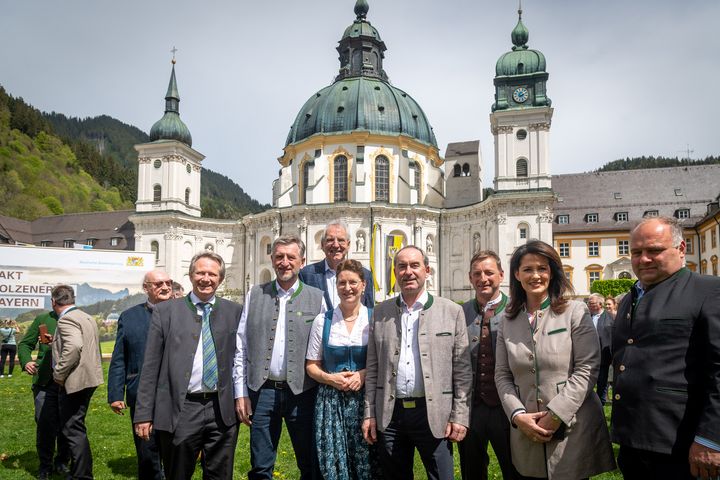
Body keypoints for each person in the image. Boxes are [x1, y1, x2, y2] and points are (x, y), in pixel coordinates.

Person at [494, 240, 615, 479]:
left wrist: (556, 414)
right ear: (516, 274)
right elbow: (502, 374)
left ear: (553, 272)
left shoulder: (575, 311)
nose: (535, 275)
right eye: (528, 269)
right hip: (526, 429)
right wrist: (517, 415)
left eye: (542, 268)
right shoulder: (507, 320)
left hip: (572, 430)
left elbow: (587, 368)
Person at [612, 216, 720, 479]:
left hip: (682, 441)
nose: (644, 259)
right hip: (634, 439)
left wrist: (711, 438)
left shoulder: (708, 291)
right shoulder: (630, 298)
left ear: (681, 249)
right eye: (636, 252)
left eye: (654, 250)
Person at [362, 245, 472, 480]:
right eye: (401, 266)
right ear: (395, 272)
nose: (408, 272)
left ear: (427, 270)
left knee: (442, 476)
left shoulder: (452, 311)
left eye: (414, 265)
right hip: (391, 413)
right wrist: (369, 413)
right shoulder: (380, 313)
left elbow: (462, 370)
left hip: (433, 412)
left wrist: (459, 415)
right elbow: (373, 370)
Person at [134, 252, 242, 479]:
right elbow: (150, 366)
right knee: (178, 473)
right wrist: (143, 413)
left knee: (220, 475)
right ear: (190, 276)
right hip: (181, 409)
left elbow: (242, 358)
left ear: (220, 279)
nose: (206, 278)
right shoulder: (166, 312)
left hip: (221, 410)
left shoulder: (234, 311)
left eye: (212, 274)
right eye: (200, 272)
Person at [233, 235, 325, 479]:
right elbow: (241, 345)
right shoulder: (255, 294)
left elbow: (323, 347)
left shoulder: (317, 298)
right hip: (262, 392)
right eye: (279, 257)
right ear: (272, 260)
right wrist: (241, 393)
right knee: (261, 467)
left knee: (310, 464)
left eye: (291, 257)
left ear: (302, 262)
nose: (285, 262)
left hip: (303, 393)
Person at [305, 259, 377, 479]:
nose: (347, 288)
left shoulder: (375, 319)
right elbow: (311, 365)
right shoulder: (323, 320)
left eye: (353, 282)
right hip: (331, 403)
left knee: (368, 462)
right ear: (336, 286)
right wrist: (330, 379)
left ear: (363, 285)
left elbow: (384, 361)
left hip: (366, 401)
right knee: (334, 464)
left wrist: (363, 374)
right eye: (342, 283)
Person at [458, 251, 519, 480]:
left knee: (514, 468)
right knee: (471, 470)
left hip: (507, 407)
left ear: (501, 275)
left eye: (489, 272)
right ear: (470, 278)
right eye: (477, 274)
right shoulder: (460, 312)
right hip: (471, 407)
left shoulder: (516, 310)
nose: (483, 278)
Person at [107, 269, 172, 480]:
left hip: (176, 394)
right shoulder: (130, 317)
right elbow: (119, 358)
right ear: (146, 288)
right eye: (158, 284)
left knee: (174, 450)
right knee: (147, 451)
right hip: (142, 393)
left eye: (168, 283)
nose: (165, 287)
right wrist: (116, 394)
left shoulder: (183, 313)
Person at [51, 284, 104, 480]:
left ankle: (82, 475)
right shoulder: (86, 316)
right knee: (76, 425)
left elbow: (73, 347)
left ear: (54, 302)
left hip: (75, 380)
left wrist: (59, 373)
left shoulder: (66, 320)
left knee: (72, 428)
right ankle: (80, 471)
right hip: (89, 378)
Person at [18, 310, 71, 480]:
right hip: (44, 381)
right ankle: (45, 466)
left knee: (67, 425)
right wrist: (26, 361)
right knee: (44, 424)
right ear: (53, 301)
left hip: (70, 381)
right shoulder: (43, 319)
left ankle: (62, 462)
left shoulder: (76, 318)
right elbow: (25, 344)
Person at [299, 220, 374, 309]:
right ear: (322, 245)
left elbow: (369, 312)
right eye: (330, 240)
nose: (335, 245)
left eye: (341, 240)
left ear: (348, 245)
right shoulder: (306, 275)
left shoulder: (365, 275)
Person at [587, 293, 613, 405]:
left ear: (600, 304)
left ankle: (600, 404)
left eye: (591, 303)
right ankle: (589, 403)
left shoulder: (609, 318)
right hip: (588, 356)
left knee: (602, 382)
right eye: (588, 303)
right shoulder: (587, 317)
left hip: (603, 356)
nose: (589, 305)